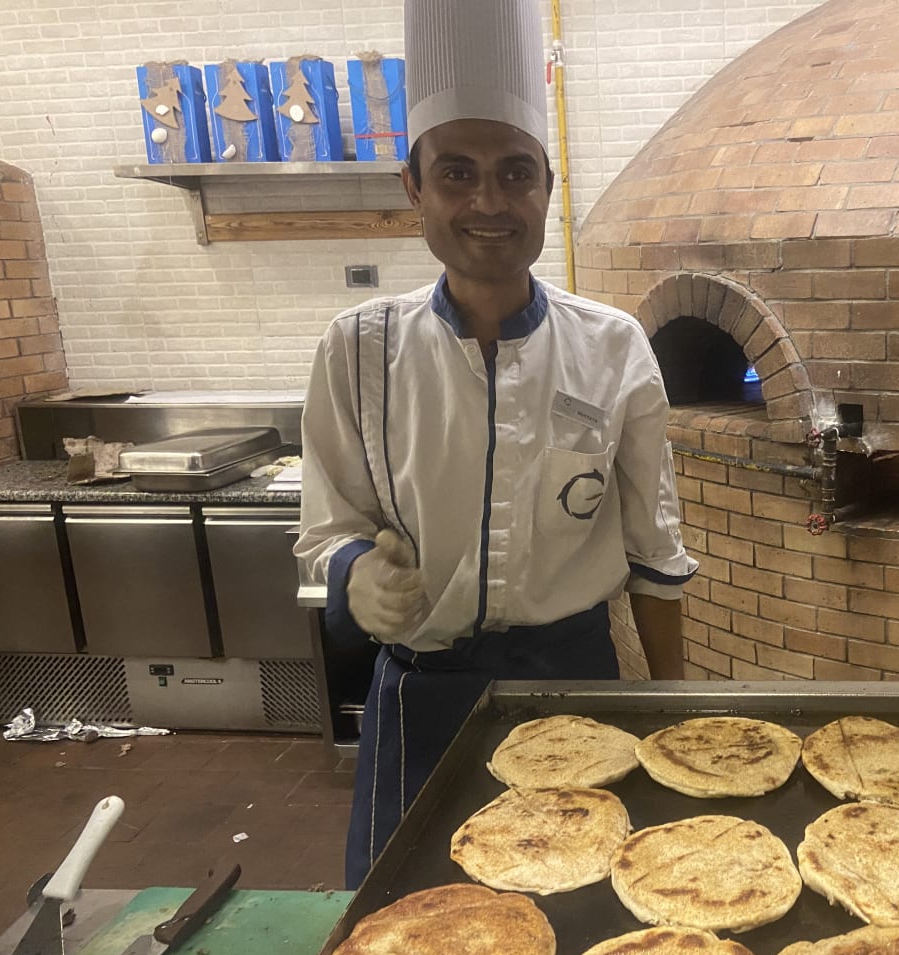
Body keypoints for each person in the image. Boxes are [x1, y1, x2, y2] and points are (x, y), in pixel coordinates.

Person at [295, 0, 698, 888]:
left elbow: (654, 549)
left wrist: (672, 708)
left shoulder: (612, 347)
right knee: (400, 917)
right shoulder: (357, 348)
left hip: (575, 685)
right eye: (457, 173)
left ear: (548, 185)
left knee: (586, 919)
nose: (488, 202)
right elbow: (326, 527)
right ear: (414, 186)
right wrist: (354, 575)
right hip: (422, 699)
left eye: (516, 173)